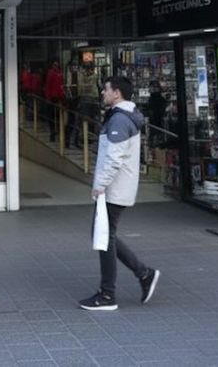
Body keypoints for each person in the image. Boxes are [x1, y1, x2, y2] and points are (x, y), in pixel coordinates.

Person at [79, 76, 160, 311]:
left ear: (117, 93)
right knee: (105, 235)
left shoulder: (119, 121)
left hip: (114, 189)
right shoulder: (122, 117)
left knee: (103, 237)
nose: (102, 93)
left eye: (105, 90)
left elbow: (114, 158)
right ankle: (143, 274)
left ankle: (108, 294)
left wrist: (100, 185)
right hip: (117, 187)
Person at [44, 60, 66, 141]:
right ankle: (52, 133)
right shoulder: (51, 73)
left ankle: (57, 132)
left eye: (57, 64)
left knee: (57, 116)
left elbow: (61, 85)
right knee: (52, 116)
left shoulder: (60, 73)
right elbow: (48, 85)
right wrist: (48, 98)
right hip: (53, 97)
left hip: (58, 97)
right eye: (54, 64)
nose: (56, 66)